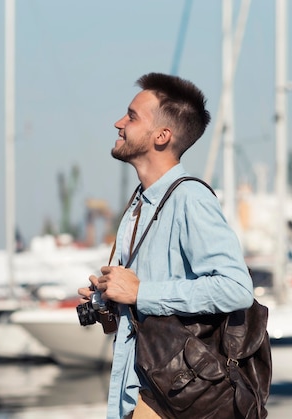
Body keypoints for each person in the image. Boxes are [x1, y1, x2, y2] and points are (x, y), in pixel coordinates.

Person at [78, 72, 254, 419]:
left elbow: (236, 289)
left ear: (162, 135)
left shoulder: (189, 198)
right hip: (143, 393)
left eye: (131, 116)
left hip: (170, 400)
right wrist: (108, 299)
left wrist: (141, 293)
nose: (118, 123)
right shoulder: (140, 204)